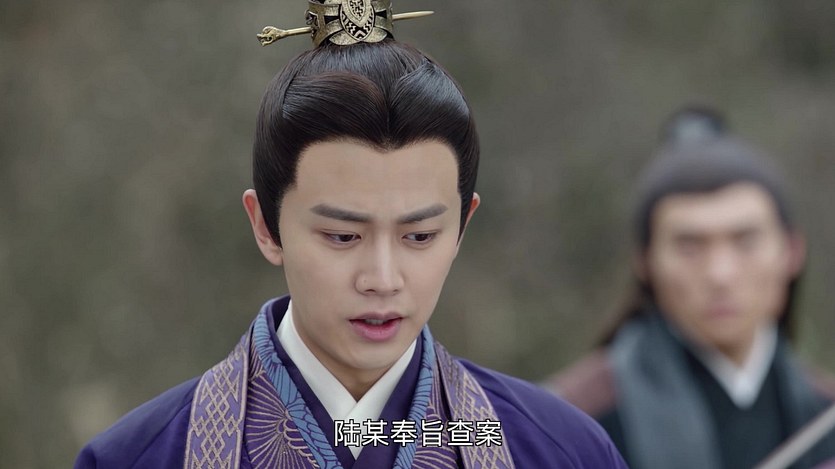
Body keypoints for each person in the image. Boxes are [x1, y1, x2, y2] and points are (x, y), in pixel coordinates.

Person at [74, 1, 627, 467]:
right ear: (265, 226)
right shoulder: (140, 457)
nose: (382, 280)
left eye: (419, 236)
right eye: (342, 236)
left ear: (462, 226)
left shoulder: (560, 450)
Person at [544, 107, 835, 469]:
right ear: (644, 262)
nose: (720, 274)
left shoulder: (825, 414)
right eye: (690, 246)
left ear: (792, 252)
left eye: (745, 241)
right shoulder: (561, 419)